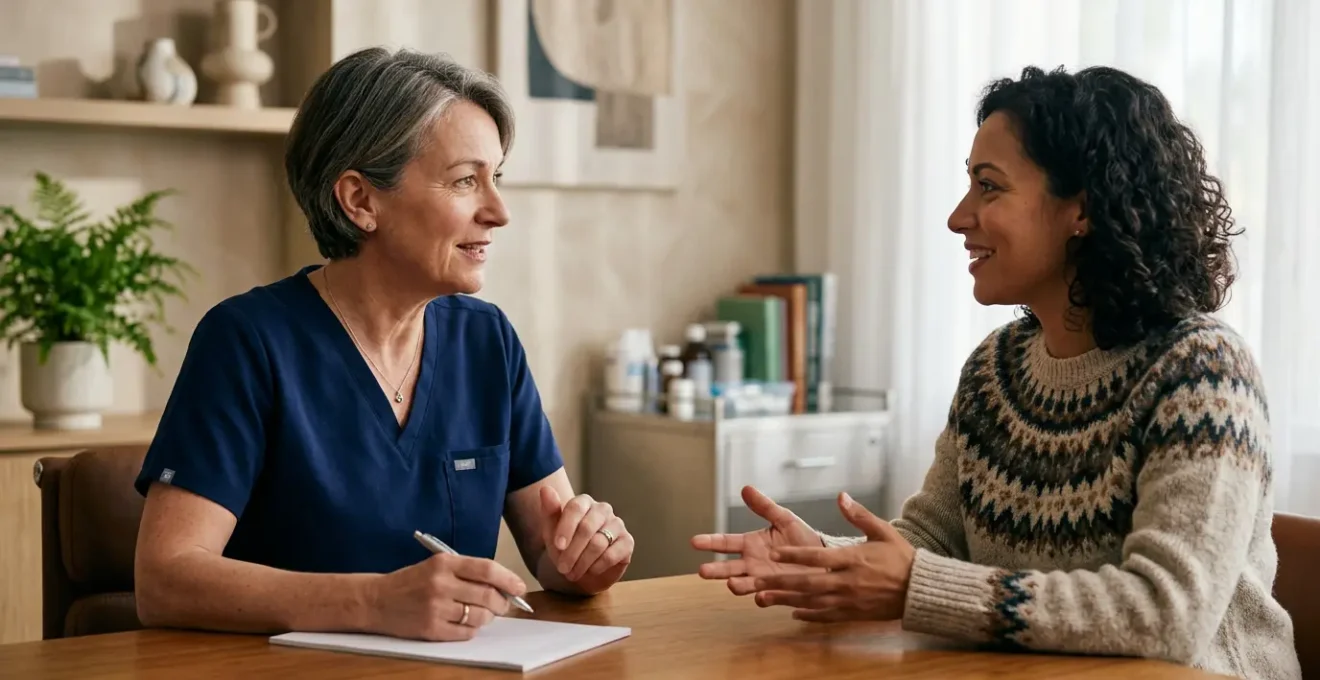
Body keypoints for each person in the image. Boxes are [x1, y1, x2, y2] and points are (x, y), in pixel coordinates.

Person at [692, 65, 1302, 679]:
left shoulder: (1201, 372)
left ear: (1082, 209)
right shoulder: (995, 369)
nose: (959, 217)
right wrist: (821, 556)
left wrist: (915, 589)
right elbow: (930, 544)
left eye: (990, 187)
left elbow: (1167, 615)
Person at [133, 47, 633, 642]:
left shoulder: (487, 341)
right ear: (360, 201)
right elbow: (164, 580)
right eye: (466, 181)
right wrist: (374, 601)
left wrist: (588, 557)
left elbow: (552, 554)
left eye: (496, 178)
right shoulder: (246, 340)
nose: (498, 211)